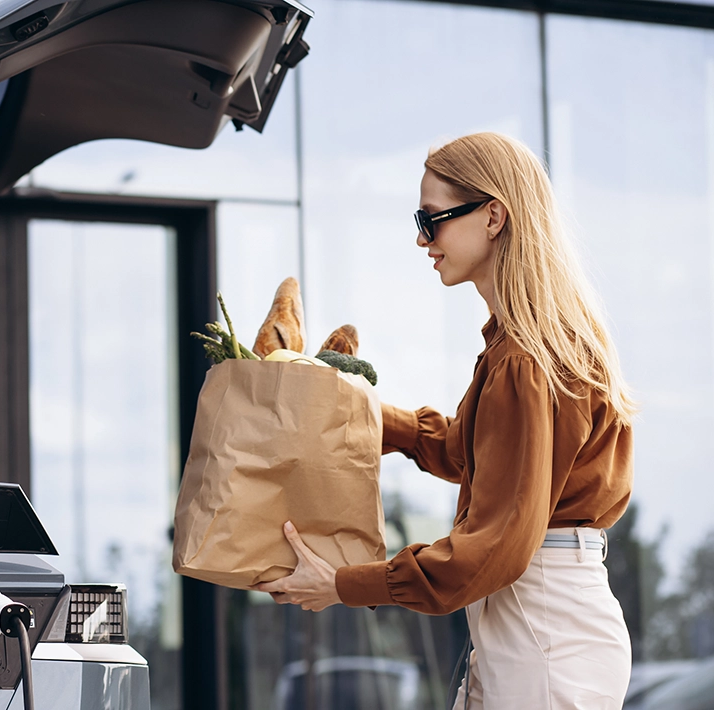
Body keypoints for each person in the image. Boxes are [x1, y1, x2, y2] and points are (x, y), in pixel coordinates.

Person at [257, 132, 636, 709]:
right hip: (541, 620)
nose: (420, 238)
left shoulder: (523, 361)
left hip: (540, 628)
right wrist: (357, 414)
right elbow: (470, 456)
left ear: (492, 216)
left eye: (431, 219)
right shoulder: (532, 345)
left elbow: (495, 547)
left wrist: (342, 584)